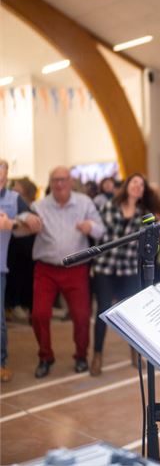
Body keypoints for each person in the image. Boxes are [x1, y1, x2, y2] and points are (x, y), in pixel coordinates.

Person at [30, 166, 106, 378]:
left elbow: (101, 230)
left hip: (76, 268)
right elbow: (23, 229)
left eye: (63, 179)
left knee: (82, 316)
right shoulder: (39, 206)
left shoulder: (84, 203)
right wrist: (29, 224)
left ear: (71, 182)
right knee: (39, 315)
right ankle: (45, 357)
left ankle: (81, 356)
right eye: (55, 180)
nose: (60, 184)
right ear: (50, 183)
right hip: (46, 269)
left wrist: (90, 227)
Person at [90, 173, 160, 376]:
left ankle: (135, 351)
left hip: (129, 269)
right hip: (105, 267)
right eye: (134, 182)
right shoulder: (109, 206)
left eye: (141, 184)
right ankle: (97, 355)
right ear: (127, 185)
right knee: (102, 312)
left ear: (143, 191)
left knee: (132, 314)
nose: (137, 186)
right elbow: (101, 234)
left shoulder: (145, 213)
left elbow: (150, 244)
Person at [0, 160, 41, 382]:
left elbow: (29, 219)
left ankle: (0, 363)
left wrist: (17, 223)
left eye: (3, 177)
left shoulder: (13, 199)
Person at [6, 177, 38, 321]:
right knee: (17, 278)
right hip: (15, 248)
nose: (13, 189)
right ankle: (15, 306)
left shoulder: (31, 206)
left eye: (17, 186)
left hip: (27, 249)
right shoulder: (12, 202)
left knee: (26, 279)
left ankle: (26, 307)